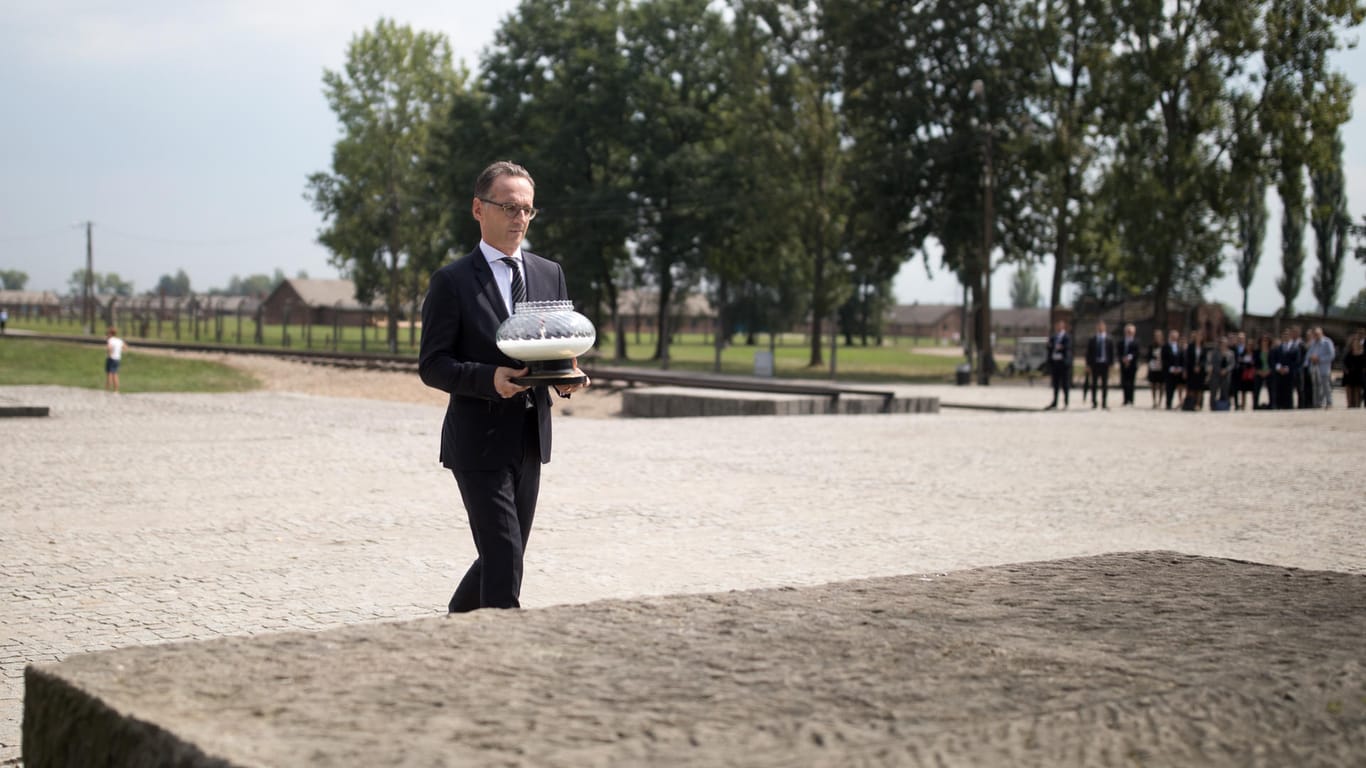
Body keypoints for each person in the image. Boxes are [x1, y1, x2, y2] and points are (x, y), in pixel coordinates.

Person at [418, 161, 590, 613]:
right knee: (504, 555)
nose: (520, 218)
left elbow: (554, 346)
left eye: (528, 210)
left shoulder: (548, 272)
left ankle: (456, 623)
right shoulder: (451, 282)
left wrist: (566, 375)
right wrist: (488, 379)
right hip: (477, 440)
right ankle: (504, 655)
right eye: (510, 207)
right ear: (479, 209)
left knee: (503, 555)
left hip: (531, 439)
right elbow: (433, 366)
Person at [1085, 320, 1115, 409]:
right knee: (1094, 384)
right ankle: (1094, 402)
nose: (1100, 328)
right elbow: (1088, 353)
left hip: (1105, 364)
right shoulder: (1092, 339)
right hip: (1095, 364)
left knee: (1104, 384)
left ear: (1105, 327)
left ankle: (1104, 402)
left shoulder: (1109, 339)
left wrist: (1111, 364)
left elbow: (1111, 353)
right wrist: (1088, 365)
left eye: (1102, 326)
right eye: (1099, 326)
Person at [1044, 319, 1073, 410]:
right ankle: (1055, 402)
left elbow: (1067, 347)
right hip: (1055, 362)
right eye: (1057, 325)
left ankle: (1066, 402)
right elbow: (1049, 346)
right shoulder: (1054, 337)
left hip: (1064, 363)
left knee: (1065, 384)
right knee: (1055, 384)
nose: (1059, 327)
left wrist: (1061, 347)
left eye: (1061, 325)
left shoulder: (1067, 337)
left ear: (1063, 326)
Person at [1304, 327, 1336, 408]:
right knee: (1315, 386)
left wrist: (1319, 359)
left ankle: (1329, 403)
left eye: (1317, 334)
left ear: (1321, 333)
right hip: (1314, 367)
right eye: (1314, 334)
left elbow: (1331, 355)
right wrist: (1308, 361)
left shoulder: (1327, 342)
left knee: (1326, 386)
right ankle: (1317, 403)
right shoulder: (1313, 343)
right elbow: (1309, 354)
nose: (1316, 336)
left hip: (1324, 368)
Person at [1271, 328, 1300, 410]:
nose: (1285, 337)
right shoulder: (1278, 348)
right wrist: (1278, 367)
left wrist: (1288, 368)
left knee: (1289, 390)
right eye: (1284, 335)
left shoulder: (1295, 348)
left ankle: (1289, 406)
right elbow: (1275, 359)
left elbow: (1297, 361)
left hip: (1290, 373)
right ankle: (1280, 405)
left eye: (1287, 335)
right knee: (1280, 389)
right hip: (1279, 372)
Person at [1184, 329, 1207, 411]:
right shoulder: (1190, 347)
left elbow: (1204, 359)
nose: (1198, 337)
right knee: (1192, 388)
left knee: (1199, 388)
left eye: (1200, 336)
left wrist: (1199, 366)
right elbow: (1188, 359)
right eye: (1197, 336)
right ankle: (1191, 404)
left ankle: (1198, 404)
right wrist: (1193, 366)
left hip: (1200, 371)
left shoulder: (1204, 347)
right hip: (1191, 370)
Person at [1117, 323, 1140, 407]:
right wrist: (1123, 359)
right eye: (1128, 331)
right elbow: (1119, 353)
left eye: (1131, 331)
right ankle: (1125, 399)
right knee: (1124, 382)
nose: (1129, 332)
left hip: (1132, 365)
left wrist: (1129, 358)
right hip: (1123, 365)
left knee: (1131, 382)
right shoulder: (1121, 342)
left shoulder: (1136, 342)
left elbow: (1137, 353)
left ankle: (1131, 399)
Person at [1231, 331, 1254, 411]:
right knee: (1235, 388)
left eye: (1242, 338)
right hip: (1236, 371)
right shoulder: (1234, 348)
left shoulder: (1247, 348)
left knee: (1244, 388)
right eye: (1239, 338)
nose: (1241, 339)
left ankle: (1244, 405)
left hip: (1245, 371)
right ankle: (1237, 405)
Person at [1162, 329, 1184, 410]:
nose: (1174, 338)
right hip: (1169, 371)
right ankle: (1168, 403)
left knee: (1180, 388)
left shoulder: (1179, 347)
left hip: (1178, 371)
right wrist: (1171, 368)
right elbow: (1164, 359)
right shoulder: (1165, 347)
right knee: (1169, 388)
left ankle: (1180, 403)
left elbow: (1182, 359)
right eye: (1172, 336)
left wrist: (1179, 368)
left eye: (1175, 336)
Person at [1343, 333, 1365, 408]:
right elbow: (1344, 362)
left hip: (1358, 374)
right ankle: (1349, 404)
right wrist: (1346, 369)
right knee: (1348, 389)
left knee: (1357, 390)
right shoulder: (1349, 353)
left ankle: (1357, 405)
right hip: (1349, 374)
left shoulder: (1362, 354)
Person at [1252, 333, 1274, 410]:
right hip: (1259, 372)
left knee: (1271, 390)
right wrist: (1259, 371)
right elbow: (1254, 362)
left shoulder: (1272, 351)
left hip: (1269, 372)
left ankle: (1272, 406)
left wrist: (1269, 371)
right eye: (1263, 340)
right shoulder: (1256, 351)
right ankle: (1255, 406)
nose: (1264, 342)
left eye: (1266, 340)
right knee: (1256, 390)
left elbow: (1273, 362)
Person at [1146, 329, 1165, 409]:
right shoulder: (1151, 346)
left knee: (1161, 385)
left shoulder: (1164, 346)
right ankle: (1154, 401)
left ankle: (1160, 401)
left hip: (1161, 368)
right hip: (1153, 367)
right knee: (1153, 385)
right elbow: (1148, 356)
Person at [105, 326, 125, 393]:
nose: (107, 335)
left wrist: (110, 354)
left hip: (111, 358)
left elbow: (109, 348)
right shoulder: (119, 340)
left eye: (107, 333)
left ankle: (107, 389)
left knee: (109, 374)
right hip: (118, 358)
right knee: (115, 374)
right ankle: (116, 390)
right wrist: (118, 351)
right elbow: (125, 347)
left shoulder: (110, 340)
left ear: (110, 333)